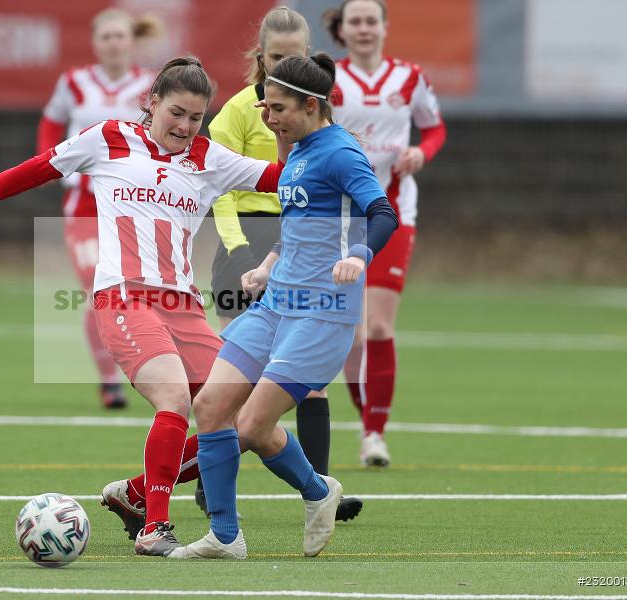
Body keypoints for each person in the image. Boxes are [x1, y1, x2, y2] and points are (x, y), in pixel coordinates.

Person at [0, 56, 290, 557]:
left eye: (195, 118)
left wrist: (296, 133)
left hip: (184, 307)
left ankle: (138, 492)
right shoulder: (107, 138)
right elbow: (35, 170)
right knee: (175, 400)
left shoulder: (210, 157)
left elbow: (283, 178)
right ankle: (155, 528)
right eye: (177, 113)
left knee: (238, 416)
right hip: (124, 296)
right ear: (152, 103)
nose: (186, 127)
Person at [169, 54, 398, 559]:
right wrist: (269, 263)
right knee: (209, 407)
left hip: (321, 314)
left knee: (252, 425)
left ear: (311, 105)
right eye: (266, 107)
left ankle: (317, 492)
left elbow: (383, 213)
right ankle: (225, 537)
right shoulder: (295, 151)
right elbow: (301, 229)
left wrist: (359, 255)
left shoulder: (340, 153)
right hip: (275, 304)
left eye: (277, 108)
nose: (269, 118)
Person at [201, 5, 361, 522]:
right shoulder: (240, 111)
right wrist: (241, 249)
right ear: (258, 57)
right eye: (274, 59)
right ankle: (212, 492)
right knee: (229, 389)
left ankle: (317, 489)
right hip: (243, 240)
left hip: (299, 245)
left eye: (293, 58)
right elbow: (218, 186)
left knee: (306, 384)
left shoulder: (313, 117)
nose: (282, 69)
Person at [323, 0, 446, 466]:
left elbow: (435, 130)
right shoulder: (328, 77)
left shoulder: (410, 78)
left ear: (385, 27)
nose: (364, 29)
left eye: (371, 21)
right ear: (344, 29)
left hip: (394, 210)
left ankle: (374, 433)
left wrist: (421, 153)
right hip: (340, 215)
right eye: (355, 21)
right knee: (351, 336)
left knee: (377, 325)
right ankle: (365, 417)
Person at [37, 9, 159, 410]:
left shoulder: (148, 85)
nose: (113, 43)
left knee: (139, 290)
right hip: (85, 204)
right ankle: (109, 380)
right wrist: (50, 163)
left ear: (131, 41)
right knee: (96, 289)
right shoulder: (74, 82)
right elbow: (51, 122)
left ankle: (146, 365)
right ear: (95, 42)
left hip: (132, 206)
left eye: (119, 36)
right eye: (105, 36)